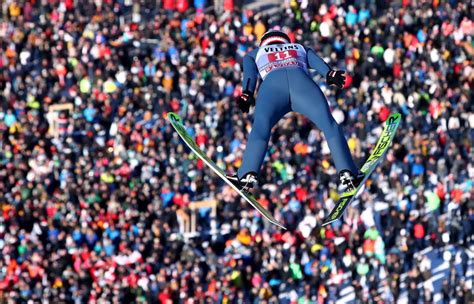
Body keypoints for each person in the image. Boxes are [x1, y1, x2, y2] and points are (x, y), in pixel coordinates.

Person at [227, 29, 363, 192]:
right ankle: (347, 171)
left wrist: (247, 93)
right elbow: (318, 63)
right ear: (285, 41)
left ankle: (246, 174)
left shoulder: (255, 53)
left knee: (261, 129)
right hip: (303, 85)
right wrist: (329, 73)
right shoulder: (298, 47)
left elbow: (249, 74)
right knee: (329, 125)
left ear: (264, 43)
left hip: (272, 87)